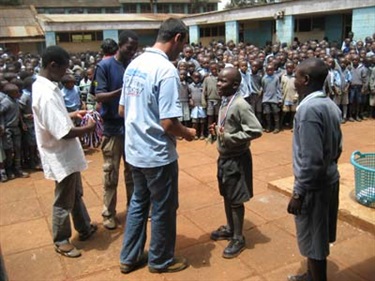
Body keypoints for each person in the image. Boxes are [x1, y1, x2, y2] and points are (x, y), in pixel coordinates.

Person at [118, 17, 196, 274]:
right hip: (157, 155)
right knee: (163, 207)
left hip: (134, 151)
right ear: (177, 38)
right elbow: (168, 124)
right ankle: (160, 260)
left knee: (139, 202)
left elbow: (121, 109)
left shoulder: (134, 64)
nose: (182, 50)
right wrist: (187, 133)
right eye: (183, 45)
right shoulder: (166, 70)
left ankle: (129, 257)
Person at [32, 45, 98, 258]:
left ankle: (84, 227)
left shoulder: (46, 87)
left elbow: (54, 120)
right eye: (63, 69)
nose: (65, 74)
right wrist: (87, 129)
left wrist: (72, 114)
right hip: (60, 153)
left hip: (66, 153)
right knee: (64, 198)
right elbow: (63, 132)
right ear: (52, 66)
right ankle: (61, 239)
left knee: (75, 193)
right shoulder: (47, 94)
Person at [287, 58, 342, 281]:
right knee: (315, 236)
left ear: (306, 80)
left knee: (315, 239)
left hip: (314, 186)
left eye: (296, 76)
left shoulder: (308, 110)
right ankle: (310, 275)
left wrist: (299, 193)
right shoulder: (330, 104)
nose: (294, 81)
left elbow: (311, 160)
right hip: (329, 178)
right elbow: (337, 147)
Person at [208, 67, 262, 259]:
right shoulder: (225, 102)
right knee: (227, 195)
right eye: (218, 80)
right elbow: (228, 126)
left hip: (236, 160)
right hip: (225, 158)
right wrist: (217, 131)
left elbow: (255, 130)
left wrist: (229, 136)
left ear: (236, 85)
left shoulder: (240, 104)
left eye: (223, 81)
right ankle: (231, 228)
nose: (218, 84)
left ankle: (238, 238)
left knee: (236, 199)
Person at [93, 30, 138, 230]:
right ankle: (108, 213)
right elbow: (99, 96)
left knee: (133, 172)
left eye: (134, 49)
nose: (132, 52)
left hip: (131, 127)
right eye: (129, 48)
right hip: (112, 127)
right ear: (120, 45)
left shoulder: (134, 65)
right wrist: (123, 91)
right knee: (111, 173)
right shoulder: (104, 66)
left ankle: (133, 209)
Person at [0, 83, 29, 179]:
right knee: (9, 150)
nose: (18, 93)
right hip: (7, 130)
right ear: (9, 93)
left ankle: (18, 169)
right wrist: (2, 126)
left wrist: (22, 123)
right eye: (15, 92)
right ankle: (9, 170)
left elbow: (19, 113)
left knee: (17, 149)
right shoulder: (5, 103)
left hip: (16, 128)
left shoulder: (16, 101)